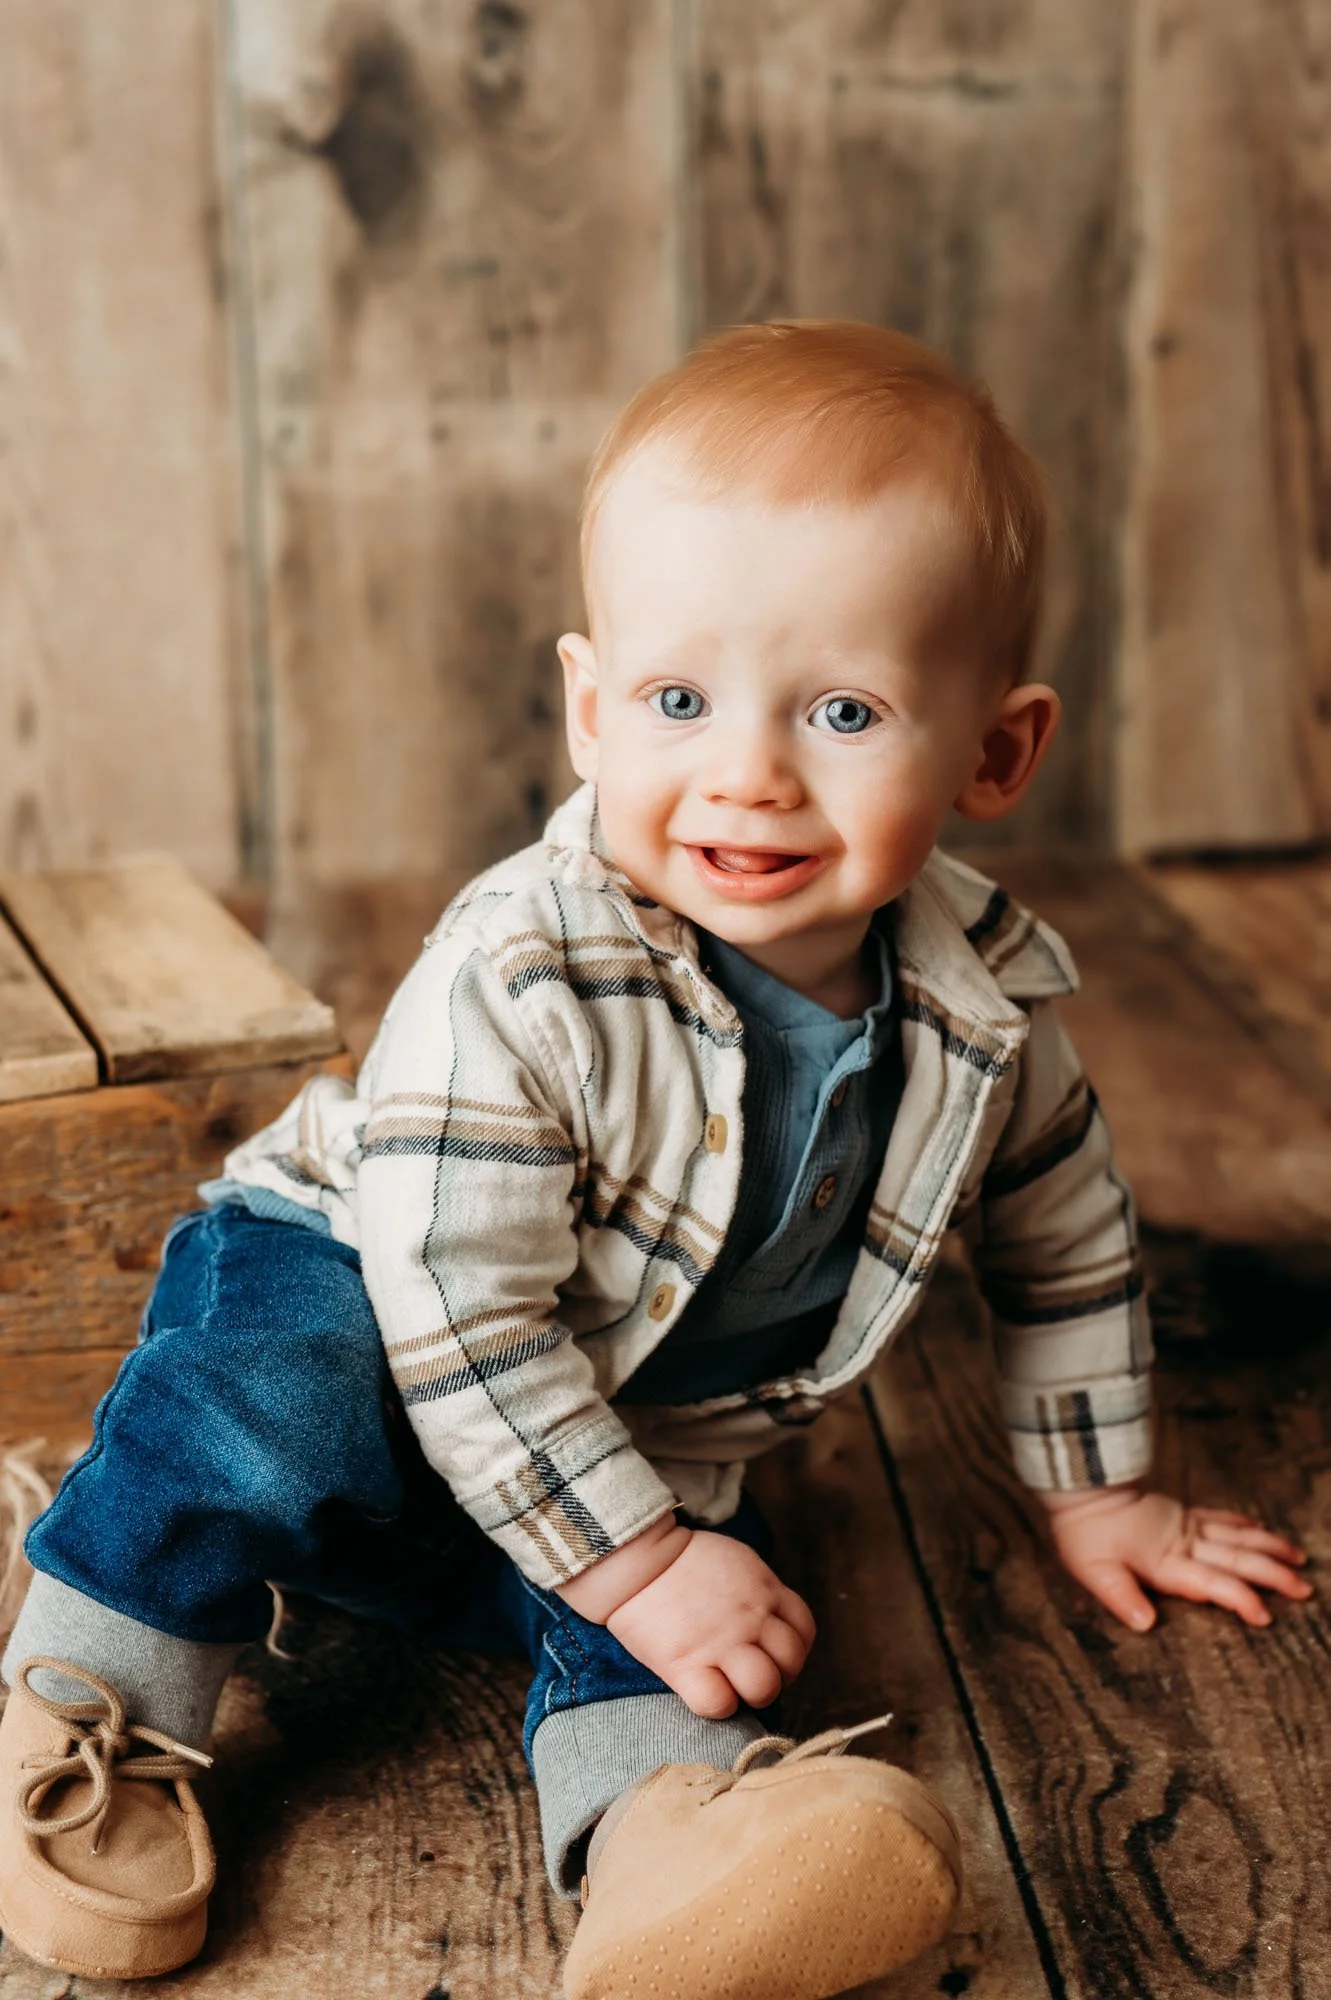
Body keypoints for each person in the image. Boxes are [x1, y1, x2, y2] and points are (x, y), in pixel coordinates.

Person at [0, 321, 1309, 1997]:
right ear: (592, 706)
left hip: (624, 1419)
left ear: (995, 750)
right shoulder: (520, 968)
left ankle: (666, 1855)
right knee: (273, 1401)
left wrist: (1099, 1485)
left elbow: (1064, 1239)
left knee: (700, 1643)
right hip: (369, 1297)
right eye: (679, 699)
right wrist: (640, 1557)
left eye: (842, 709)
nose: (747, 773)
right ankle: (94, 1694)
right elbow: (456, 1309)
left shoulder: (985, 1013)